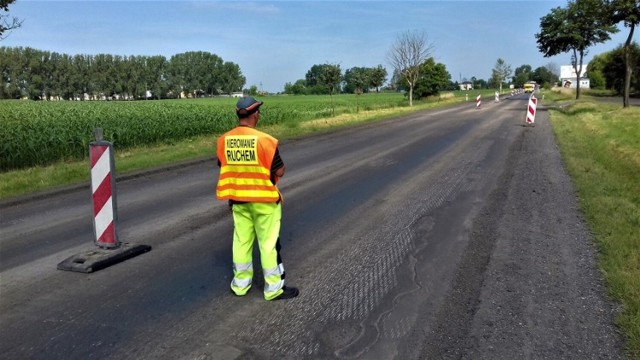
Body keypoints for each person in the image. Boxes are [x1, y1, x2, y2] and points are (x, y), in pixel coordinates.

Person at [216, 96, 299, 301]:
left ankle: (241, 285)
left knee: (241, 242)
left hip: (238, 201)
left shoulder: (223, 140)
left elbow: (226, 168)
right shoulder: (265, 140)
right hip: (264, 201)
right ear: (255, 115)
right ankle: (273, 289)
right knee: (268, 244)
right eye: (258, 113)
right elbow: (279, 170)